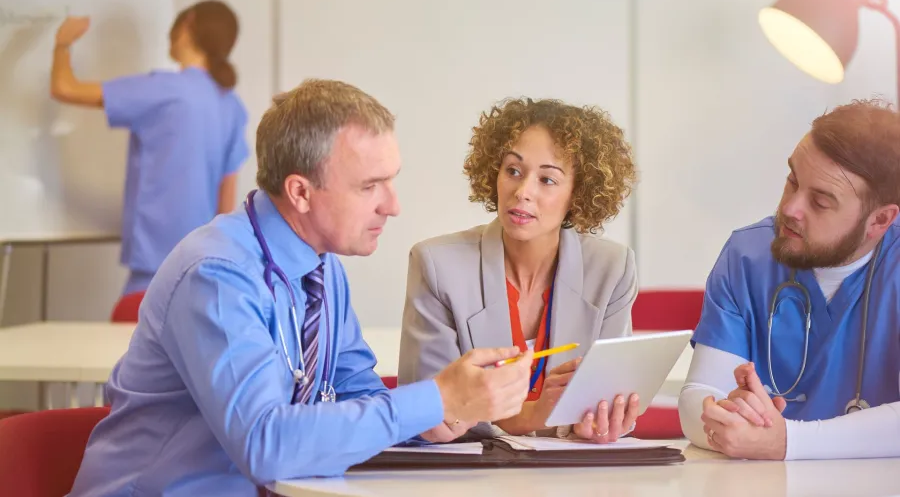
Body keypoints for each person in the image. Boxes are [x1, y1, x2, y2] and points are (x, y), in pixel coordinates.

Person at [67, 79, 533, 496]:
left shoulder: (321, 267)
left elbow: (356, 395)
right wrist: (436, 397)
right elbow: (264, 445)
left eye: (392, 181)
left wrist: (436, 419)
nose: (393, 205)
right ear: (300, 192)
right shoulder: (217, 275)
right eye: (371, 186)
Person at [398, 97, 641, 443]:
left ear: (579, 193)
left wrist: (601, 423)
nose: (522, 192)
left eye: (547, 180)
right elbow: (422, 418)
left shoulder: (612, 268)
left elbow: (609, 398)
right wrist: (525, 416)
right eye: (513, 170)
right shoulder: (437, 265)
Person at [678, 98, 900, 461]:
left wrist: (788, 441)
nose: (791, 209)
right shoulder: (747, 256)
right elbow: (699, 394)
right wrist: (727, 417)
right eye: (792, 181)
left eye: (821, 202)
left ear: (879, 221)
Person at [50, 0, 250, 296]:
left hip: (157, 273)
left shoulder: (163, 89)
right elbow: (226, 203)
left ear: (188, 23)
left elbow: (64, 87)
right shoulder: (231, 105)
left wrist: (62, 43)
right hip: (202, 269)